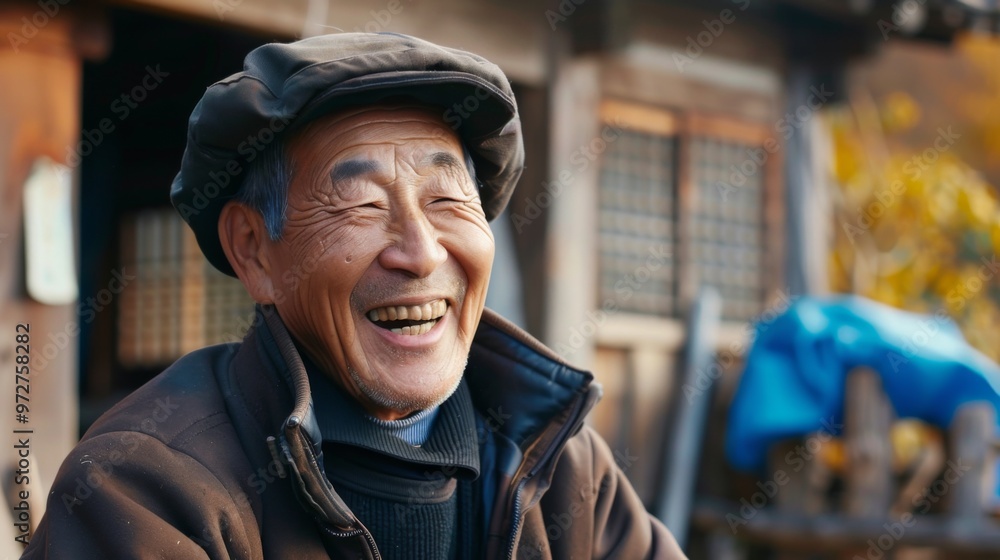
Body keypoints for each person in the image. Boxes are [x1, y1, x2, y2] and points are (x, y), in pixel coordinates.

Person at [23, 33, 687, 559]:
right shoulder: (148, 486)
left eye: (447, 200)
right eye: (361, 205)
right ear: (254, 251)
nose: (422, 252)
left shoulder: (561, 469)